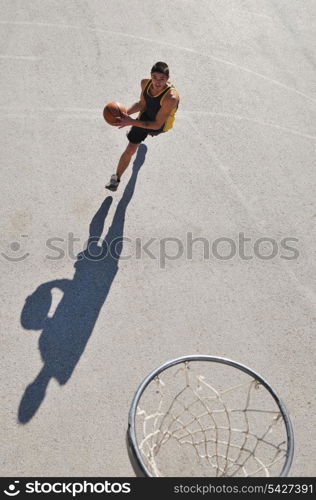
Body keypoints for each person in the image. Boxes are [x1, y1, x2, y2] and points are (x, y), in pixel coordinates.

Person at [105, 61, 179, 191]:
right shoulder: (145, 83)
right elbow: (142, 104)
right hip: (145, 116)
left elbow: (156, 124)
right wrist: (124, 114)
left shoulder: (171, 98)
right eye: (155, 77)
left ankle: (140, 145)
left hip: (160, 124)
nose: (157, 82)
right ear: (150, 76)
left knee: (148, 132)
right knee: (131, 148)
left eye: (162, 79)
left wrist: (130, 122)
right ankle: (116, 179)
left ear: (168, 79)